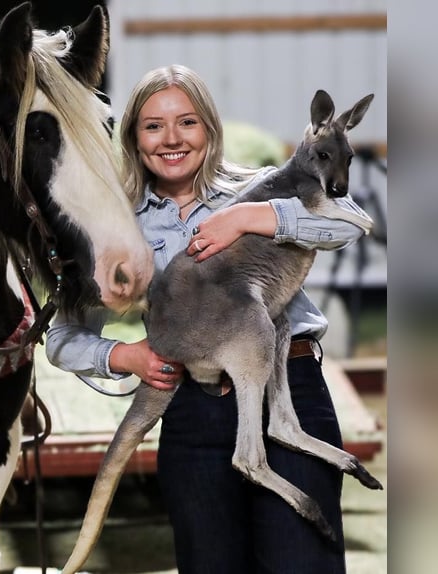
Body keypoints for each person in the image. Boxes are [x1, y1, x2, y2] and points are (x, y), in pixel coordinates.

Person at [45, 65, 372, 573]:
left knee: (303, 560)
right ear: (133, 136)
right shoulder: (120, 223)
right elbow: (63, 336)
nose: (171, 138)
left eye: (187, 122)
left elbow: (344, 223)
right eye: (153, 125)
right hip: (194, 407)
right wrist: (123, 354)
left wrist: (247, 217)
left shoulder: (263, 185)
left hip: (290, 384)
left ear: (210, 130)